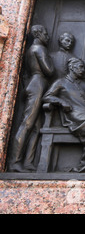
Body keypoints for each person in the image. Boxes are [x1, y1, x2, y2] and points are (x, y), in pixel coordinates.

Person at [9, 25, 54, 172]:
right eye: (45, 34)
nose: (47, 37)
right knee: (27, 124)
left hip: (33, 83)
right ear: (38, 34)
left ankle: (28, 162)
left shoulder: (30, 50)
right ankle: (14, 161)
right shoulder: (39, 49)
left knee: (36, 126)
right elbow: (49, 70)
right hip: (38, 84)